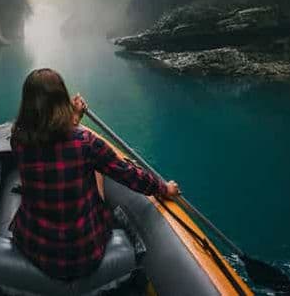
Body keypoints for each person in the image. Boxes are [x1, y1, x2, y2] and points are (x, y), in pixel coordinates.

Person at [10, 68, 180, 281]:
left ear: (27, 104)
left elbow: (50, 141)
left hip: (36, 249)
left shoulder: (18, 140)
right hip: (86, 253)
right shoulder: (87, 143)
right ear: (62, 100)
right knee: (97, 169)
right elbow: (129, 175)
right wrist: (164, 188)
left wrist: (73, 118)